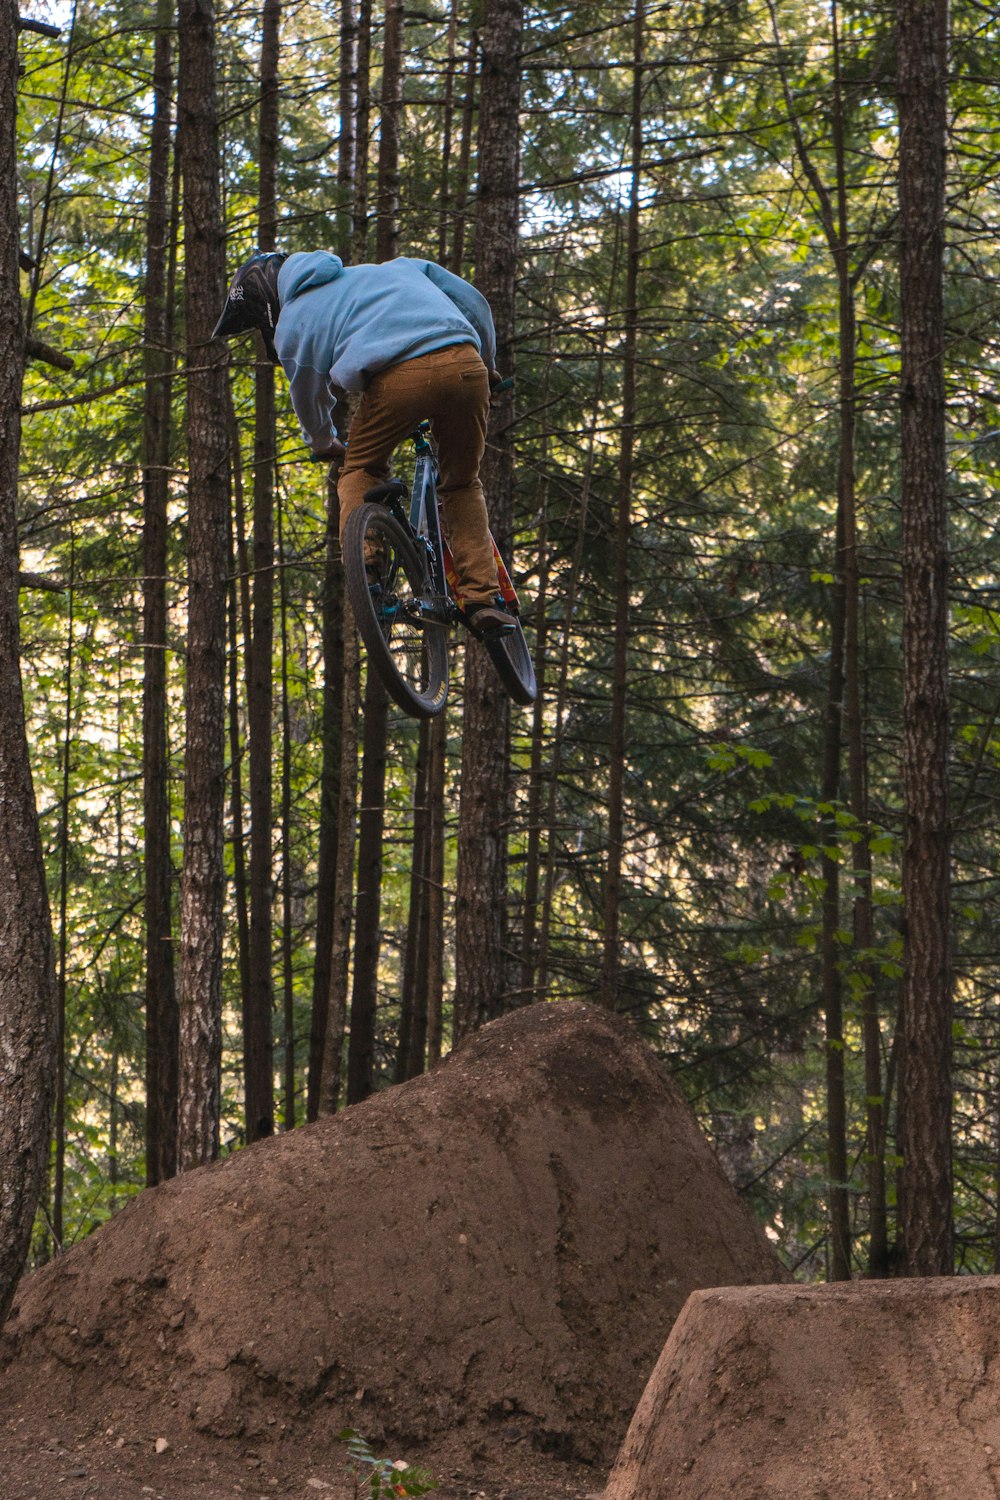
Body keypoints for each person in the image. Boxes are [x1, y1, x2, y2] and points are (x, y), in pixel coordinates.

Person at [213, 248, 514, 637]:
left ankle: (367, 565)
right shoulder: (399, 268)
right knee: (461, 484)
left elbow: (309, 396)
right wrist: (486, 361)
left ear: (266, 299)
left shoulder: (294, 320)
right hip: (465, 364)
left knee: (361, 469)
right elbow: (473, 301)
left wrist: (324, 441)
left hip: (399, 378)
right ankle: (481, 601)